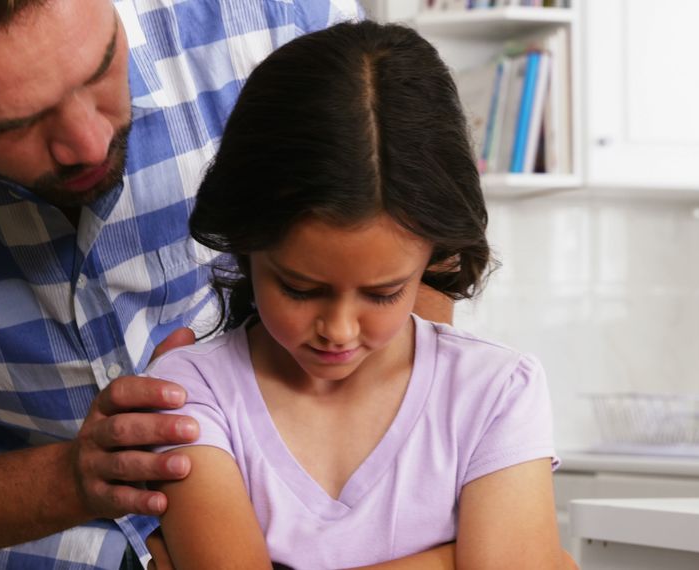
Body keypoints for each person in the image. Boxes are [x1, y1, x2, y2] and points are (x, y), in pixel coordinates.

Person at [0, 1, 440, 569]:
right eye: (13, 122)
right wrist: (74, 480)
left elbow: (413, 253)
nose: (88, 143)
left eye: (101, 68)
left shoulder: (273, 15)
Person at [143, 21, 569, 569]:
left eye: (384, 293)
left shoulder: (496, 393)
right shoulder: (186, 394)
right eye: (299, 288)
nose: (339, 329)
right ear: (246, 244)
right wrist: (450, 562)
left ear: (432, 260)